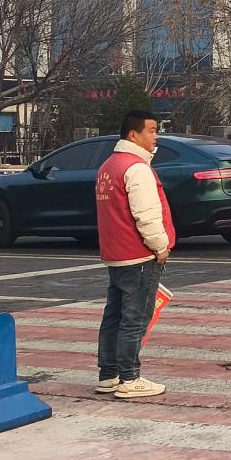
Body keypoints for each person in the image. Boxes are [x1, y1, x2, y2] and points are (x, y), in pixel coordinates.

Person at [94, 110, 173, 399]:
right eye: (151, 131)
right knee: (135, 318)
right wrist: (160, 246)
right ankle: (130, 378)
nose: (156, 136)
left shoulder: (108, 166)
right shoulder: (137, 168)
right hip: (139, 254)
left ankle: (109, 374)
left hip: (116, 253)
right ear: (133, 135)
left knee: (114, 316)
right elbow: (147, 215)